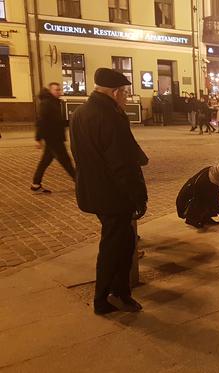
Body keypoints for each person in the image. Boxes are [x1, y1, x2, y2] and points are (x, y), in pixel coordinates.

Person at [70, 68, 148, 315]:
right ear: (115, 93)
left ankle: (118, 291)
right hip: (115, 195)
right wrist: (138, 196)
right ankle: (104, 298)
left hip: (93, 191)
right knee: (115, 247)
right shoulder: (111, 116)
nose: (126, 98)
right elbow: (122, 164)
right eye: (125, 93)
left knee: (122, 244)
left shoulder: (80, 112)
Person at [31, 82, 76, 193]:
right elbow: (41, 121)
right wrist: (38, 138)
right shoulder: (47, 103)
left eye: (59, 89)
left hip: (54, 137)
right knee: (66, 162)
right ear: (50, 91)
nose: (58, 92)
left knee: (45, 161)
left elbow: (57, 121)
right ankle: (79, 183)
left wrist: (70, 122)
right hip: (53, 138)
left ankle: (36, 184)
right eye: (56, 90)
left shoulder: (53, 102)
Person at [176, 160, 219, 229]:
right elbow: (216, 204)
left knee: (216, 203)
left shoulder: (214, 173)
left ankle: (205, 217)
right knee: (214, 204)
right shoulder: (211, 183)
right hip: (186, 204)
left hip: (196, 199)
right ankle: (192, 219)